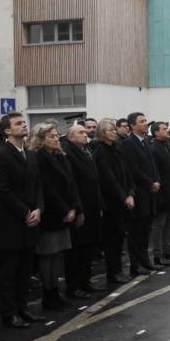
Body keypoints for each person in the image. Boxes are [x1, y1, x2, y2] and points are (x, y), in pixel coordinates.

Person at [0, 112, 44, 329]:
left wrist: (39, 209)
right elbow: (1, 189)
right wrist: (25, 212)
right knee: (9, 271)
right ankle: (9, 312)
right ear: (7, 131)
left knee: (25, 269)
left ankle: (23, 307)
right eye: (18, 123)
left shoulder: (30, 154)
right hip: (10, 221)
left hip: (31, 218)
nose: (24, 125)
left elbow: (38, 184)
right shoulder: (0, 154)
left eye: (24, 122)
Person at [30, 122, 79, 311]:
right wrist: (64, 210)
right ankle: (48, 293)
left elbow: (70, 184)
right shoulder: (39, 158)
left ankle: (55, 291)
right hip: (52, 213)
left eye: (57, 135)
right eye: (52, 136)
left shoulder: (59, 156)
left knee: (57, 254)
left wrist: (73, 207)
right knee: (47, 255)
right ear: (41, 140)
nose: (57, 139)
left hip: (65, 211)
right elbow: (47, 188)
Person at [62, 123, 103, 298]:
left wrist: (100, 204)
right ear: (71, 137)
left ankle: (85, 281)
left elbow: (94, 181)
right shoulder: (69, 154)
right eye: (80, 132)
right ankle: (74, 285)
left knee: (87, 247)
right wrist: (78, 210)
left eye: (85, 132)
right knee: (77, 250)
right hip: (81, 207)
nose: (85, 134)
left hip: (92, 206)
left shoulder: (85, 152)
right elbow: (72, 185)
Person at [94, 119, 134, 285]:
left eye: (113, 130)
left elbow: (127, 173)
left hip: (123, 199)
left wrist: (131, 193)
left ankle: (118, 270)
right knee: (112, 239)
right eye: (109, 130)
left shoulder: (117, 149)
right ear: (102, 133)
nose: (113, 132)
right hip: (111, 201)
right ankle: (113, 272)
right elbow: (108, 179)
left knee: (119, 238)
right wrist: (123, 196)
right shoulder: (100, 152)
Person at [121, 112, 160, 275]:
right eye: (142, 121)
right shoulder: (129, 143)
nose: (146, 124)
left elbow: (152, 164)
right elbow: (133, 168)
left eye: (146, 120)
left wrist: (157, 180)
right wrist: (150, 183)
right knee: (137, 231)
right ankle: (135, 266)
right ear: (132, 125)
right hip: (140, 192)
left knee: (146, 230)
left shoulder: (145, 142)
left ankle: (145, 261)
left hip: (150, 192)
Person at [149, 121, 170, 265]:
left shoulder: (167, 145)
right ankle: (158, 254)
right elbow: (156, 172)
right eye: (163, 129)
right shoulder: (154, 149)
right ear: (156, 133)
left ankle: (168, 251)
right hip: (162, 192)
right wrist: (160, 194)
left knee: (169, 222)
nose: (167, 130)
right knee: (159, 224)